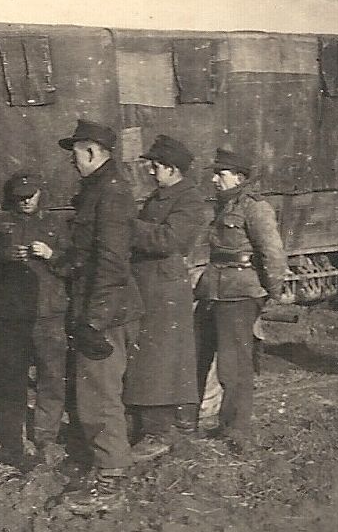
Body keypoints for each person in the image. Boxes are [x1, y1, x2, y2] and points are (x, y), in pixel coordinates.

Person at [53, 120, 144, 515]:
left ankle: (111, 481)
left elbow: (112, 263)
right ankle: (105, 464)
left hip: (106, 311)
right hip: (98, 305)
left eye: (75, 152)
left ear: (91, 152)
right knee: (95, 395)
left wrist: (95, 321)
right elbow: (86, 255)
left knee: (99, 398)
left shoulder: (110, 193)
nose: (72, 161)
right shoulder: (97, 191)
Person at [194, 148, 289, 453]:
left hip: (240, 293)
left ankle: (236, 431)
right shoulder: (222, 206)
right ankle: (197, 424)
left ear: (239, 177)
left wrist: (271, 295)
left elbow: (273, 254)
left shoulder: (254, 208)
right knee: (198, 355)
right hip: (213, 290)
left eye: (220, 174)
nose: (213, 179)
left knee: (234, 367)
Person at [0, 173, 69, 471]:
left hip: (48, 315)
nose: (26, 201)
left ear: (42, 193)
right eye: (20, 196)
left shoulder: (56, 225)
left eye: (31, 195)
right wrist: (4, 255)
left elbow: (74, 264)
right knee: (10, 380)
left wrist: (51, 254)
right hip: (10, 317)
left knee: (51, 377)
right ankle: (12, 444)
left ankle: (45, 439)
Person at [123, 135, 209, 460]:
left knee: (159, 361)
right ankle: (143, 425)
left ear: (172, 169)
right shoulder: (160, 197)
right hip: (147, 286)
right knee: (144, 358)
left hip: (164, 290)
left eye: (156, 166)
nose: (151, 172)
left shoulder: (189, 200)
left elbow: (169, 239)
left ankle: (157, 432)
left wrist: (128, 227)